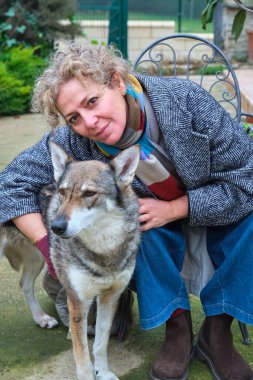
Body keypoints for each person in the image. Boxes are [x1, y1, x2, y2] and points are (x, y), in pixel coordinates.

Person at [0, 41, 253, 380]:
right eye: (74, 117)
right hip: (154, 234)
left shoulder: (186, 102)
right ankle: (176, 327)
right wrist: (48, 248)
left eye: (93, 101)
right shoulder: (75, 141)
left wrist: (178, 207)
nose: (89, 121)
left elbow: (246, 176)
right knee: (129, 221)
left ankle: (217, 332)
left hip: (216, 210)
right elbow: (9, 184)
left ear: (117, 82)